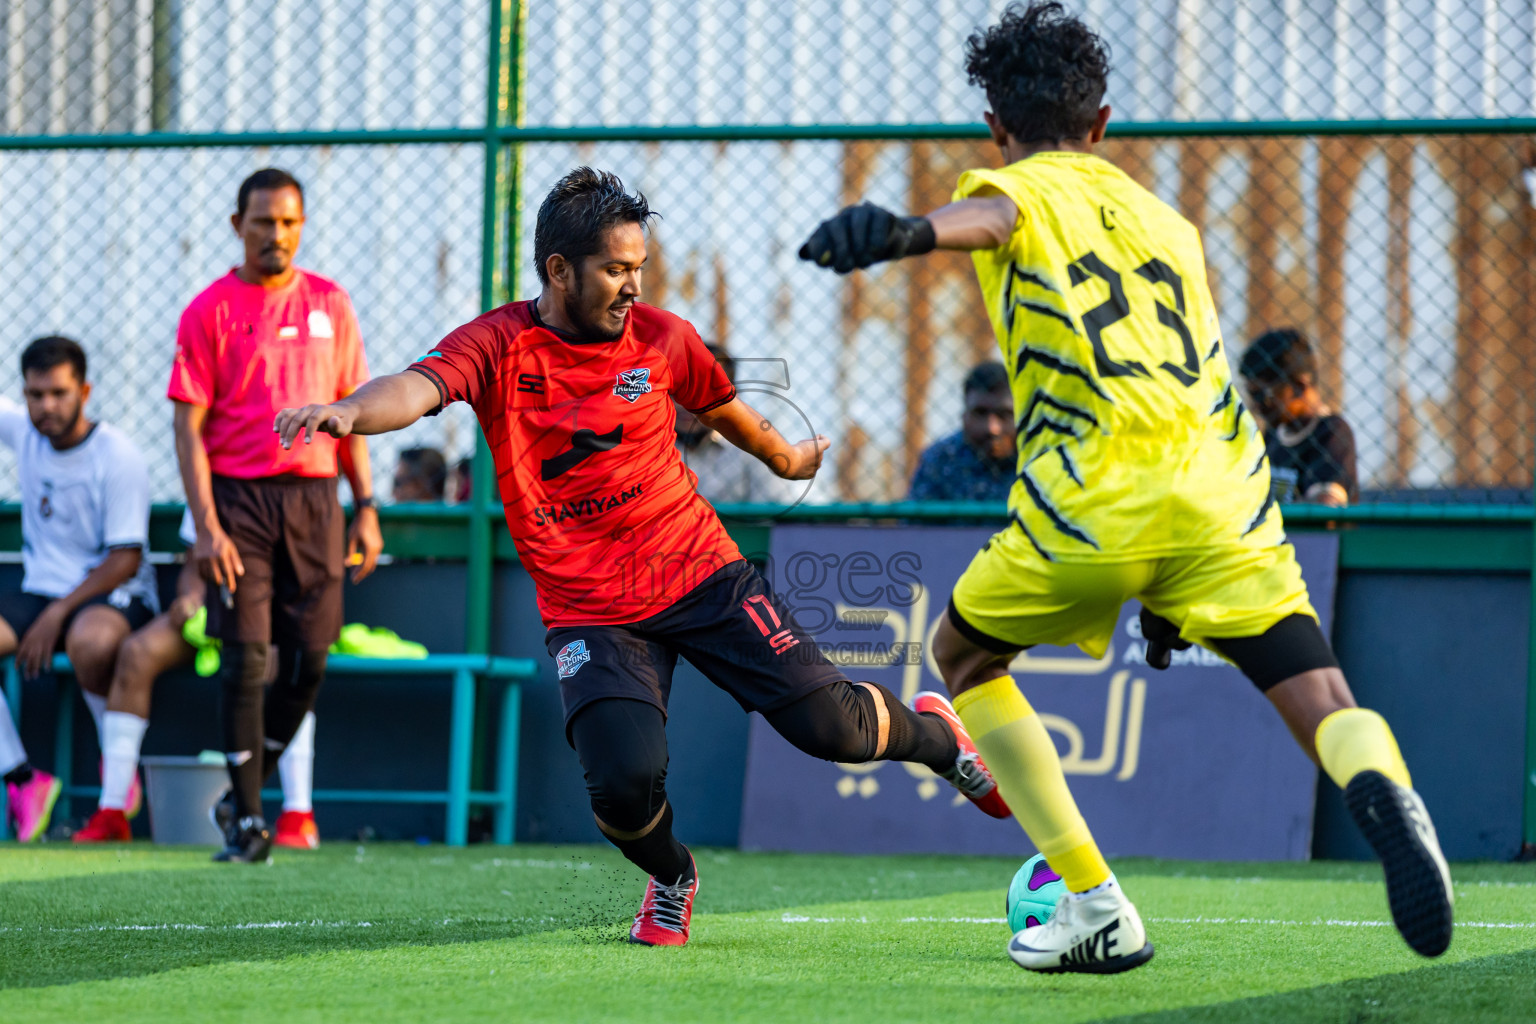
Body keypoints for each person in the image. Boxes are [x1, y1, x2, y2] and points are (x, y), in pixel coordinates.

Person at [798, 1, 1451, 973]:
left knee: (963, 655)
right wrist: (1166, 591)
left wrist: (905, 231)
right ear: (1102, 124)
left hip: (1099, 483)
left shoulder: (1020, 185)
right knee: (1316, 683)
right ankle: (1387, 784)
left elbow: (998, 216)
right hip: (1225, 485)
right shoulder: (1171, 225)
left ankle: (1095, 902)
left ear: (994, 129)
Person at [275, 166, 1008, 947]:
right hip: (589, 607)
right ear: (559, 270)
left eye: (639, 269)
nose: (633, 286)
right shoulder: (496, 344)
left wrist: (788, 461)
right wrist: (351, 410)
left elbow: (727, 411)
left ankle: (935, 735)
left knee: (836, 732)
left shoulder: (662, 338)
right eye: (616, 269)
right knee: (622, 790)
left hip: (699, 571)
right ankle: (672, 876)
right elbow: (418, 387)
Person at [169, 167, 382, 864]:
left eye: (289, 221)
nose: (276, 234)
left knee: (310, 661)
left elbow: (351, 410)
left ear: (302, 226)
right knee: (245, 657)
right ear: (238, 226)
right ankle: (250, 824)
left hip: (317, 503)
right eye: (263, 222)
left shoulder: (332, 304)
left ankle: (242, 791)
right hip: (239, 503)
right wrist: (206, 527)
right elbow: (187, 428)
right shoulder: (210, 310)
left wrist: (367, 506)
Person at [72, 509, 321, 847]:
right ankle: (113, 810)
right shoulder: (207, 482)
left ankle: (297, 816)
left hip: (267, 615)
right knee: (137, 652)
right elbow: (193, 566)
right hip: (215, 614)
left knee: (285, 661)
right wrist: (190, 597)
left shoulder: (289, 483)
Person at [0, 336, 158, 842]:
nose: (47, 406)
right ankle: (23, 779)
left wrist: (58, 614)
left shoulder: (119, 456)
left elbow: (125, 557)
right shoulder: (25, 431)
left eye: (59, 393)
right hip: (43, 589)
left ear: (84, 391)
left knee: (90, 641)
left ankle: (118, 767)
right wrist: (49, 609)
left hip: (112, 590)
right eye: (35, 394)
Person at [1238, 328, 1357, 507]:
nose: (1257, 406)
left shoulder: (1331, 431)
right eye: (1252, 395)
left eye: (1263, 395)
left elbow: (1326, 508)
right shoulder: (1272, 436)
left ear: (1299, 387)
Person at [674, 344, 802, 506]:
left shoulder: (752, 447)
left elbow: (773, 517)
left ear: (730, 399)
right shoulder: (650, 446)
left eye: (702, 393)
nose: (686, 404)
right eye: (678, 390)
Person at [908, 361, 1016, 501]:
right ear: (964, 416)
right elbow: (915, 520)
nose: (992, 428)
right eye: (980, 413)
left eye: (1004, 415)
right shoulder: (941, 459)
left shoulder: (1038, 458)